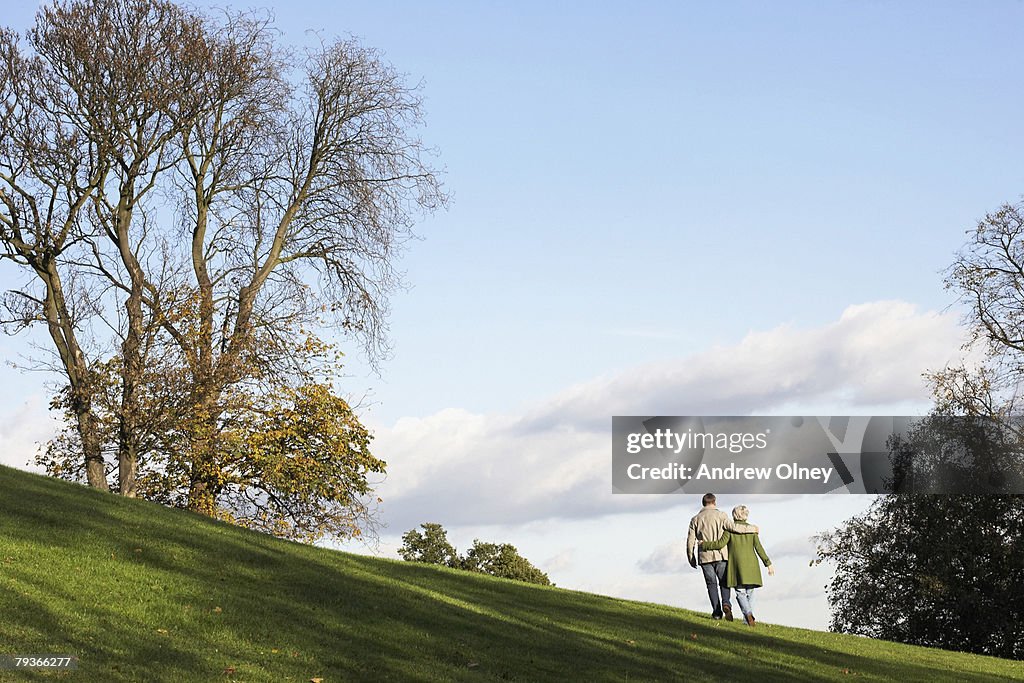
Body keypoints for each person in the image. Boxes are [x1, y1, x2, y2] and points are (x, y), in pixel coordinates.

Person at [698, 504, 774, 626]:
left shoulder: (730, 531)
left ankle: (748, 615)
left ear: (734, 515)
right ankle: (748, 619)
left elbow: (719, 544)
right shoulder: (752, 530)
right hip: (752, 566)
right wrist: (768, 564)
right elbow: (759, 548)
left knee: (740, 592)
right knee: (751, 592)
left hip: (737, 566)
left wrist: (704, 545)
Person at [686, 493, 759, 621]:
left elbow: (690, 541)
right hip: (721, 555)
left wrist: (691, 557)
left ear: (703, 503)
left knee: (711, 584)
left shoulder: (695, 519)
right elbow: (734, 528)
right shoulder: (722, 516)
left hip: (705, 557)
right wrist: (752, 529)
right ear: (714, 502)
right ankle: (726, 603)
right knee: (724, 582)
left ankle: (717, 612)